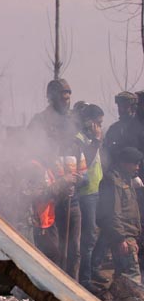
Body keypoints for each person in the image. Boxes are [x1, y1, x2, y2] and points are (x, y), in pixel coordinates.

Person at [28, 78, 82, 279]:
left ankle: (74, 291)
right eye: (62, 95)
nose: (66, 99)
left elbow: (79, 151)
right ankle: (54, 290)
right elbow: (30, 153)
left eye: (68, 94)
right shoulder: (40, 120)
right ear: (52, 97)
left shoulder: (71, 120)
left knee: (73, 250)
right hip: (49, 198)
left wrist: (75, 180)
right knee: (53, 252)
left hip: (71, 196)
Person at [97, 146, 144, 287]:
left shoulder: (126, 179)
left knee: (122, 278)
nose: (137, 167)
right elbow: (113, 213)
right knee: (132, 279)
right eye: (134, 164)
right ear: (124, 163)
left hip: (128, 235)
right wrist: (120, 238)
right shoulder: (113, 182)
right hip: (124, 237)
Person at [74, 105, 106, 289]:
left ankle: (92, 271)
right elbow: (86, 160)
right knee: (87, 239)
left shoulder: (89, 138)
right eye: (98, 123)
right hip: (86, 195)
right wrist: (96, 141)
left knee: (95, 235)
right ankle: (84, 281)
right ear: (90, 122)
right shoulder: (80, 140)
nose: (100, 127)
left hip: (96, 191)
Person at [103, 91, 143, 169]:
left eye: (125, 107)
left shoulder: (140, 128)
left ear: (133, 107)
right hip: (119, 171)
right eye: (119, 107)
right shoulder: (114, 128)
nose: (121, 110)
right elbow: (107, 151)